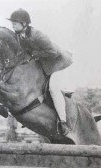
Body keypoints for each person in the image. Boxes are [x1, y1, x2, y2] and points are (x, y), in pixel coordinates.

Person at [7, 8, 73, 136]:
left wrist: (34, 54)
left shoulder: (37, 35)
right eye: (12, 22)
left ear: (24, 23)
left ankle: (63, 122)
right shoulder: (19, 35)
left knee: (53, 89)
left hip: (58, 63)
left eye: (15, 22)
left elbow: (53, 52)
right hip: (44, 64)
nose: (13, 24)